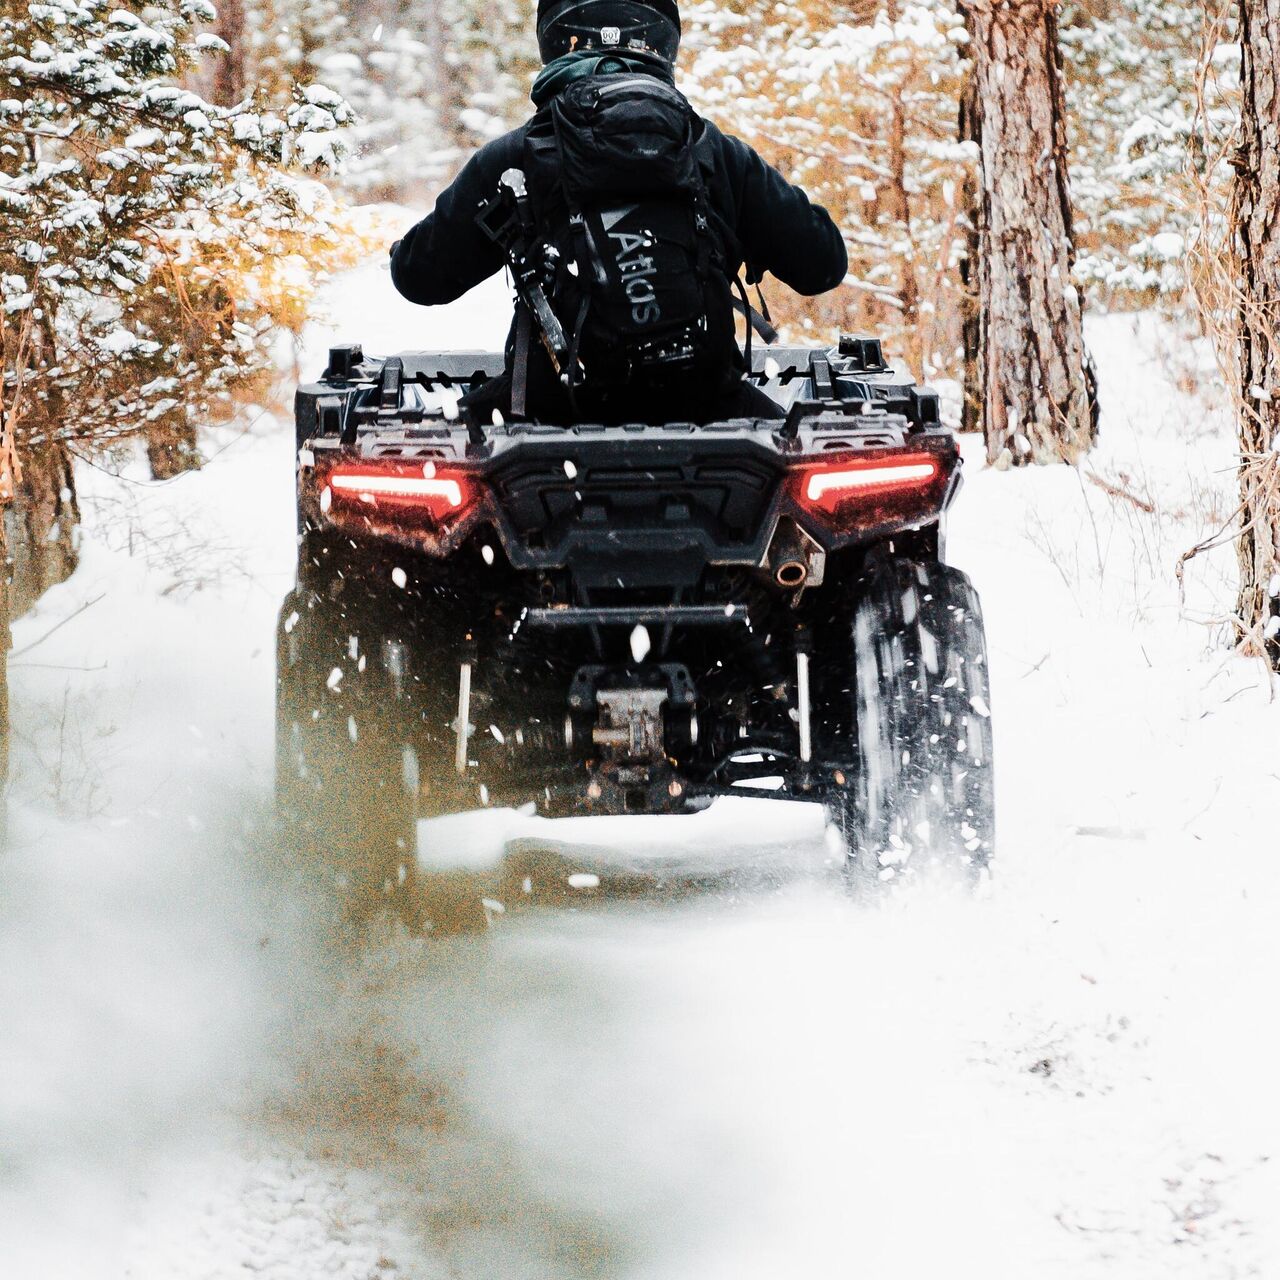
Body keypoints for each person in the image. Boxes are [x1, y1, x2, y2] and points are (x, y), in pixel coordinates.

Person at [390, 0, 847, 426]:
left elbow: (419, 278)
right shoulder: (716, 152)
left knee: (423, 463)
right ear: (662, 45)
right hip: (709, 411)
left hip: (551, 418)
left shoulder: (515, 157)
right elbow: (823, 266)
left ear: (555, 42)